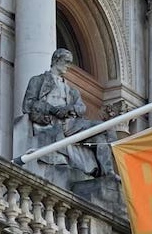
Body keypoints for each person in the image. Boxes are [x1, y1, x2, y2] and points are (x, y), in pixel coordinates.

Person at [21, 48, 116, 179]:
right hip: (53, 124)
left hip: (72, 124)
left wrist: (69, 108)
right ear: (56, 60)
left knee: (103, 134)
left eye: (70, 62)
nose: (68, 66)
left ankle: (108, 174)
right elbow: (28, 105)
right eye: (66, 62)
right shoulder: (38, 81)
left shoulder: (72, 91)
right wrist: (52, 110)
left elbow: (81, 108)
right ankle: (114, 160)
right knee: (105, 129)